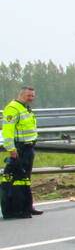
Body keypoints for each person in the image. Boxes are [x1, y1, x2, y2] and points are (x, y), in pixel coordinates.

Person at [2, 85, 42, 219]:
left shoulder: (26, 108)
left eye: (32, 96)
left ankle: (28, 207)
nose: (31, 98)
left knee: (26, 179)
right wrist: (11, 149)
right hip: (20, 149)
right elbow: (7, 131)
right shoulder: (12, 108)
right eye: (28, 96)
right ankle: (19, 209)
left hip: (29, 148)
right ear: (21, 95)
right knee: (19, 179)